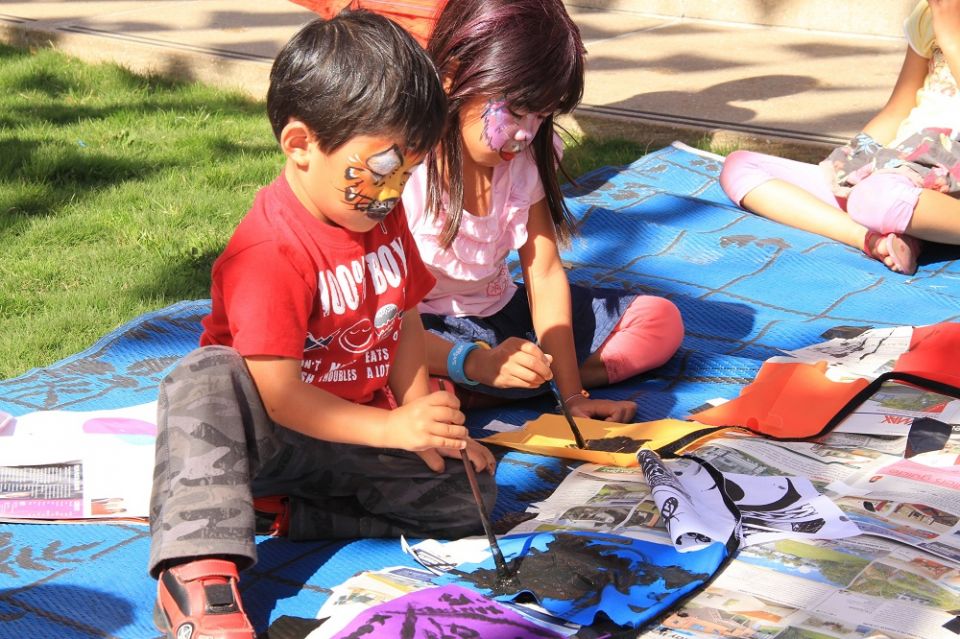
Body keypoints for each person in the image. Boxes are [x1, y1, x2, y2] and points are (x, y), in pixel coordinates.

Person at [147, 12, 496, 639]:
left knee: (471, 491)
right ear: (301, 145)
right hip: (256, 439)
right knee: (202, 378)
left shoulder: (381, 223)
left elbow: (405, 324)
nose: (393, 195)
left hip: (349, 434)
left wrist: (424, 423)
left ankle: (286, 513)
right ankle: (198, 569)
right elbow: (278, 396)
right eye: (381, 172)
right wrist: (392, 425)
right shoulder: (268, 253)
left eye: (408, 175)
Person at [401, 0, 685, 424]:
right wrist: (470, 361)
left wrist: (572, 396)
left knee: (659, 321)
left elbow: (545, 272)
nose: (525, 133)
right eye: (515, 112)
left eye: (542, 115)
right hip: (422, 331)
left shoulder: (528, 157)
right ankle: (479, 381)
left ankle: (498, 387)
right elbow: (379, 319)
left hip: (502, 316)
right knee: (394, 370)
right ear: (453, 75)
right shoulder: (406, 167)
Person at [720, 0, 960, 276]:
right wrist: (849, 164)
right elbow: (899, 109)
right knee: (741, 166)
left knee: (875, 198)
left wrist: (951, 37)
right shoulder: (929, 14)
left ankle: (901, 218)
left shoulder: (947, 21)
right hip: (903, 166)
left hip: (945, 169)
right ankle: (872, 239)